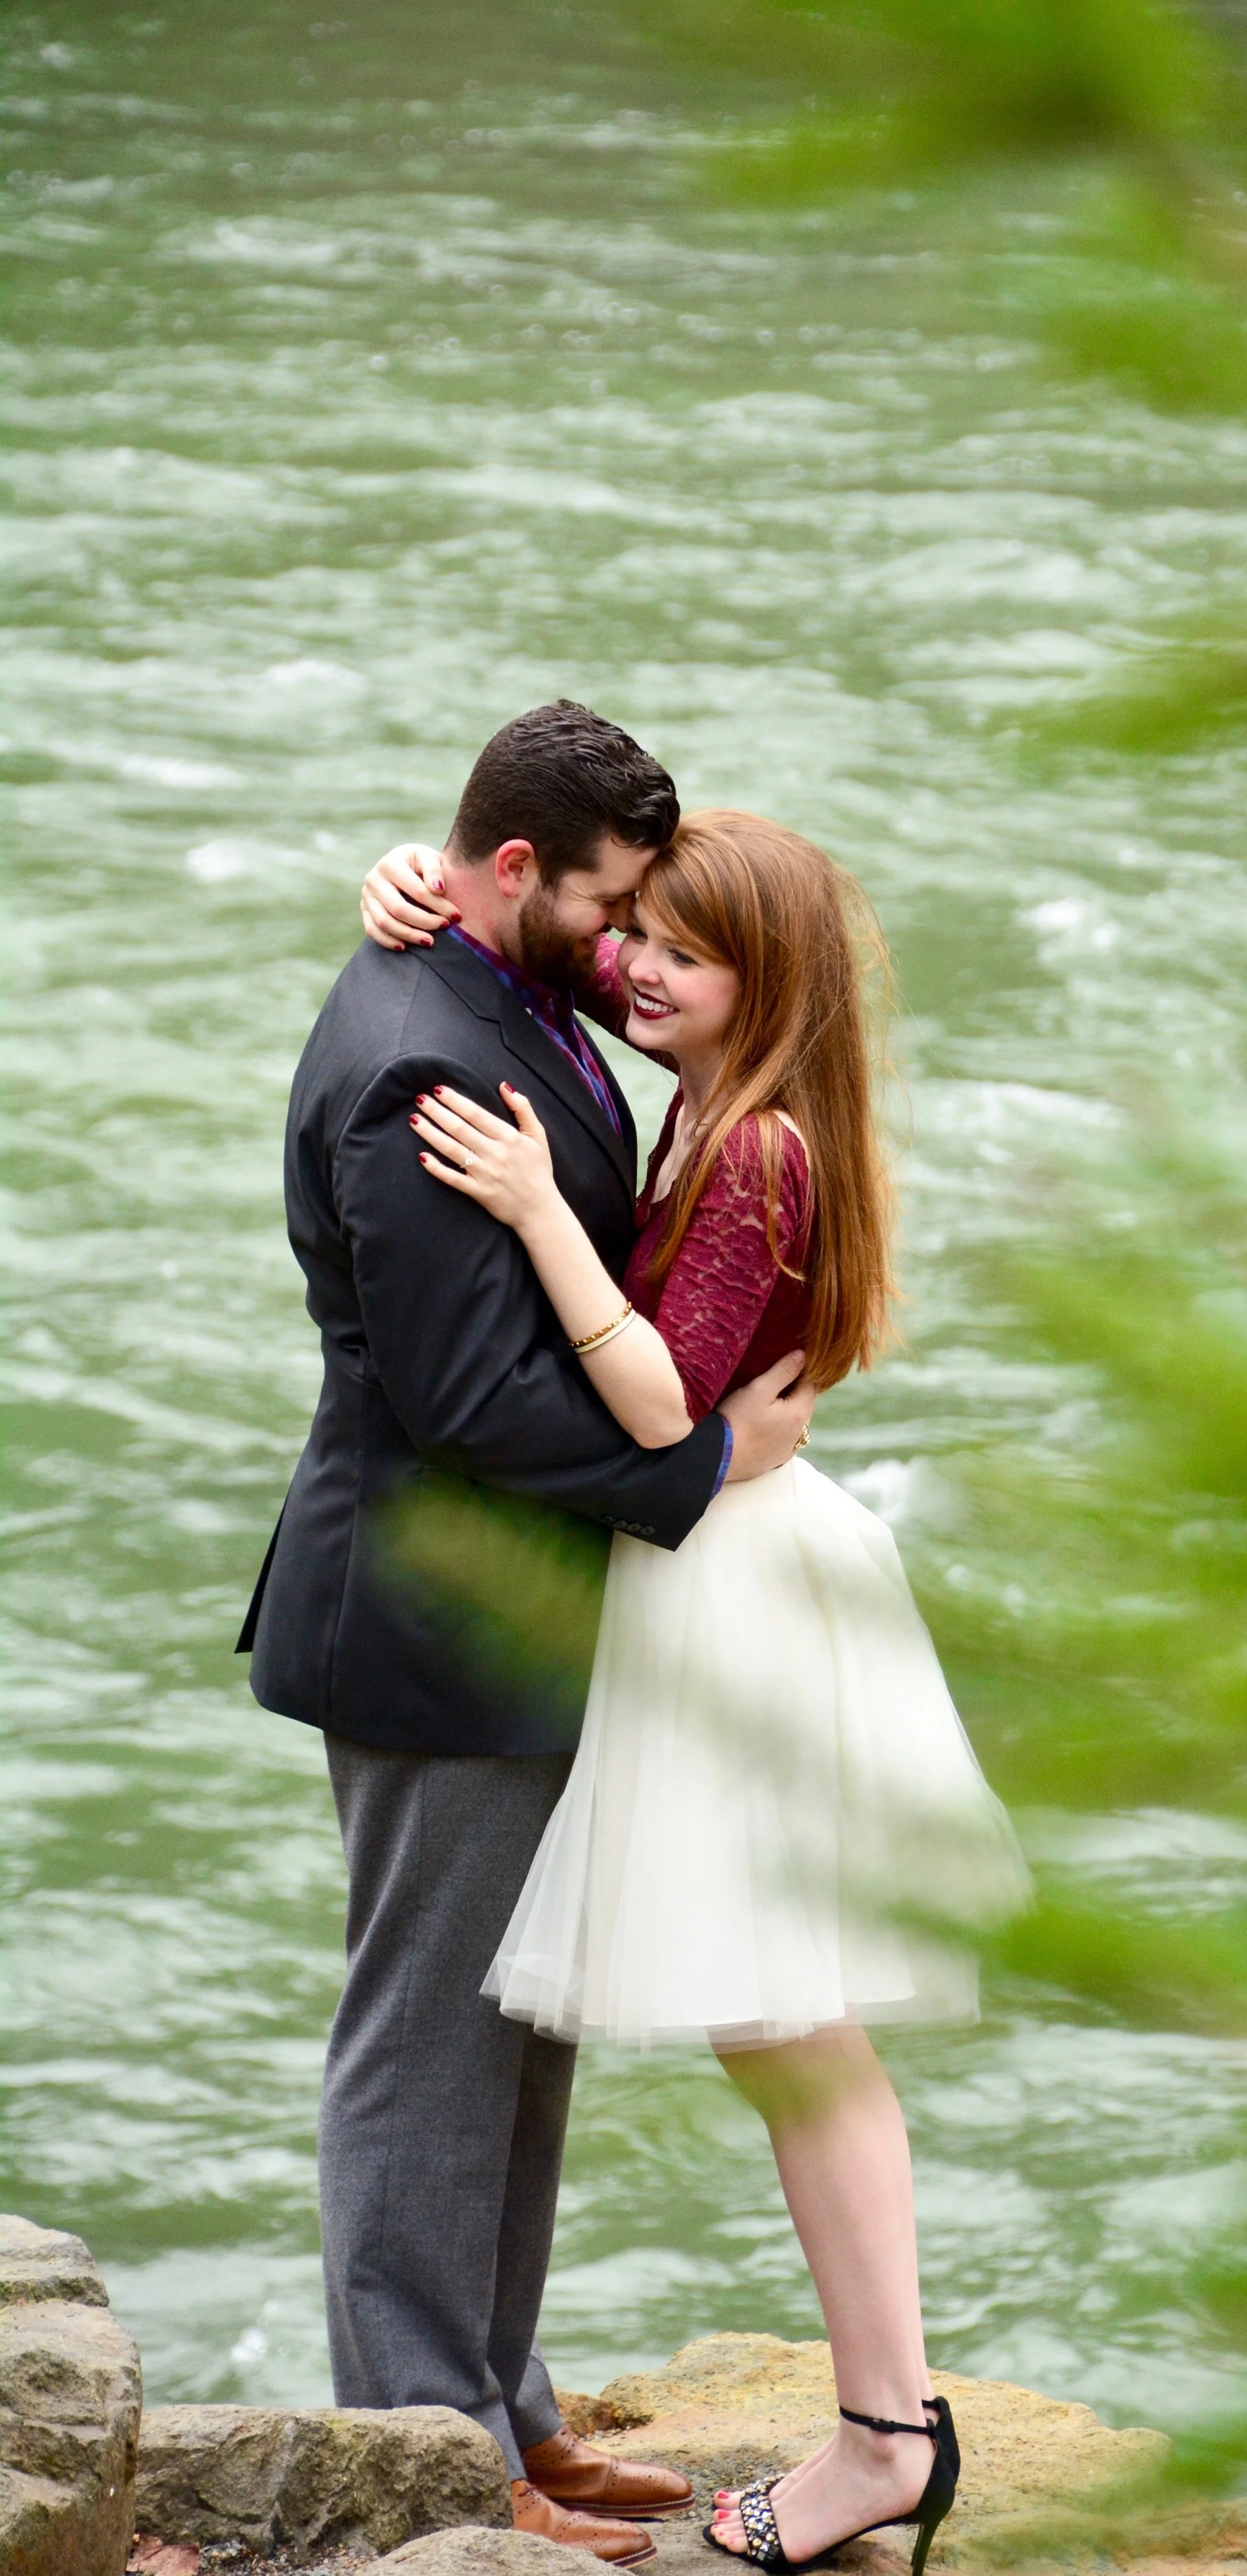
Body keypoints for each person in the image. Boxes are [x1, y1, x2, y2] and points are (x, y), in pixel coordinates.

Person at [358, 810, 1027, 2573]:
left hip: (737, 1589)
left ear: (763, 981)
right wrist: (411, 883)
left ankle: (887, 2435)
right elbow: (523, 899)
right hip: (731, 1576)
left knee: (797, 2032)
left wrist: (527, 1211)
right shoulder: (726, 1108)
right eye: (631, 931)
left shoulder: (752, 1148)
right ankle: (888, 2425)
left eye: (677, 947)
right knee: (785, 2030)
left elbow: (663, 1407)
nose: (634, 965)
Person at [240, 705, 815, 2563]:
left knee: (522, 2027)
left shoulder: (496, 977)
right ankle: (430, 2465)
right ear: (513, 872)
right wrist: (703, 1466)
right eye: (608, 903)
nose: (630, 939)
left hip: (520, 1612)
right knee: (425, 2046)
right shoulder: (421, 1049)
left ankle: (506, 2410)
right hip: (426, 1617)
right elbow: (465, 1399)